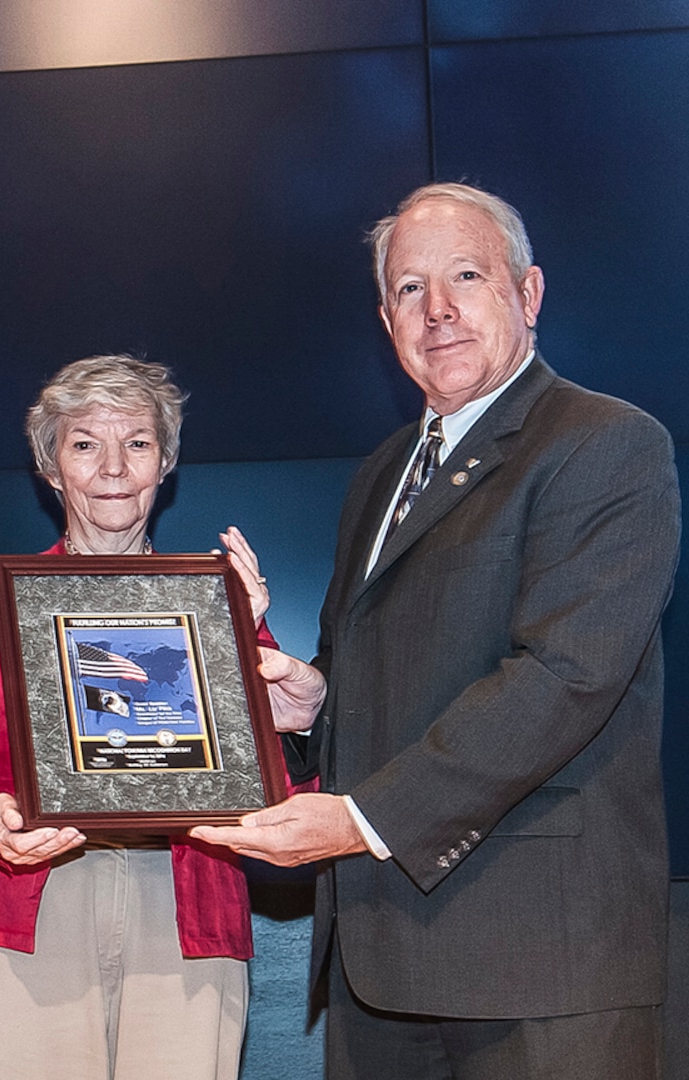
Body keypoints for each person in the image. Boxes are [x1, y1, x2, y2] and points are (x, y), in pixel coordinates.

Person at [193, 183, 680, 1079]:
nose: (439, 310)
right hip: (384, 964)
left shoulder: (605, 443)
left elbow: (563, 678)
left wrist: (359, 820)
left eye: (466, 275)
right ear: (386, 319)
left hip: (539, 965)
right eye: (410, 290)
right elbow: (392, 663)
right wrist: (319, 697)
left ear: (527, 294)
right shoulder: (383, 474)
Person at [0, 354, 276, 1079]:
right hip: (20, 909)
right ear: (49, 468)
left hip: (183, 905)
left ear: (164, 463)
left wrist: (247, 642)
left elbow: (279, 790)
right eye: (83, 444)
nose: (112, 467)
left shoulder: (218, 600)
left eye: (136, 443)